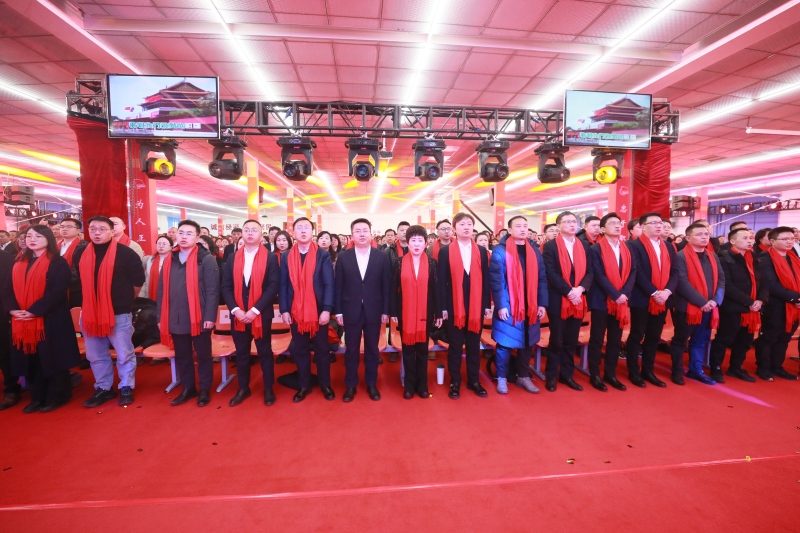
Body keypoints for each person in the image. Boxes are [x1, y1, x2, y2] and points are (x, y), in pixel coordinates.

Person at [1, 225, 80, 413]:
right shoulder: (19, 261)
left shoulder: (57, 262)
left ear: (48, 239)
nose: (32, 239)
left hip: (50, 318)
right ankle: (37, 397)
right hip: (22, 320)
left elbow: (57, 292)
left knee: (52, 358)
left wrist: (34, 311)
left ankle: (57, 396)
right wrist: (13, 310)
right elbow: (7, 289)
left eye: (38, 236)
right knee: (31, 359)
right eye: (29, 236)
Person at [74, 216, 146, 408]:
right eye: (93, 229)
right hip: (90, 313)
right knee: (95, 355)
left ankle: (126, 386)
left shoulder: (126, 253)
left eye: (102, 229)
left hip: (118, 312)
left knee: (124, 353)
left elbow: (138, 281)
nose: (97, 233)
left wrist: (124, 300)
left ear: (112, 231)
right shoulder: (81, 253)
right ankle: (104, 388)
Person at [157, 220, 220, 407]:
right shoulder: (170, 258)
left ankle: (204, 389)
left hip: (199, 316)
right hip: (175, 316)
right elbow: (161, 290)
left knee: (203, 355)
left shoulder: (205, 259)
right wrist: (161, 316)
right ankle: (188, 388)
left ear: (197, 237)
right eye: (181, 233)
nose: (184, 237)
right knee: (182, 355)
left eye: (189, 233)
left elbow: (212, 291)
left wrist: (210, 317)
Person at [222, 219, 279, 407]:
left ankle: (268, 388)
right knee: (242, 353)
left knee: (265, 352)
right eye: (246, 230)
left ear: (261, 235)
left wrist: (254, 310)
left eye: (254, 230)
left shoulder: (270, 258)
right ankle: (243, 388)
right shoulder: (232, 258)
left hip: (261, 314)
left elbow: (273, 287)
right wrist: (236, 310)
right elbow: (226, 287)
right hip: (238, 316)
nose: (250, 233)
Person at [334, 218, 391, 402]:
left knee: (372, 350)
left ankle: (371, 383)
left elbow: (386, 286)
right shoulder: (344, 257)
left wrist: (386, 310)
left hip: (374, 310)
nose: (361, 234)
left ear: (371, 233)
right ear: (352, 235)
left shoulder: (381, 256)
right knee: (351, 350)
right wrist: (338, 312)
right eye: (357, 231)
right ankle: (350, 385)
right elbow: (338, 286)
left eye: (365, 230)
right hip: (350, 310)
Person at [279, 217, 335, 403]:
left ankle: (325, 384)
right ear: (293, 232)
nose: (303, 231)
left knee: (322, 350)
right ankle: (304, 385)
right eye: (299, 228)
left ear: (312, 232)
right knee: (300, 350)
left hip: (318, 311)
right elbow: (283, 285)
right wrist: (284, 310)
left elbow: (329, 284)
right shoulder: (286, 256)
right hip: (296, 312)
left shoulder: (322, 255)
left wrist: (327, 309)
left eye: (306, 228)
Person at [489, 216, 547, 394]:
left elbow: (541, 278)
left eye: (525, 226)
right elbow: (497, 281)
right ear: (509, 230)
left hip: (531, 305)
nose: (522, 229)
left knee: (528, 343)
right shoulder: (500, 251)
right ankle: (501, 377)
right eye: (518, 226)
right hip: (509, 304)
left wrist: (542, 303)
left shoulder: (534, 250)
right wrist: (501, 305)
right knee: (505, 343)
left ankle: (523, 376)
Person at [438, 212, 491, 399]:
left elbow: (486, 280)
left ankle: (474, 380)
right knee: (455, 346)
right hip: (454, 306)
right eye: (462, 224)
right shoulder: (445, 251)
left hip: (476, 306)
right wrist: (443, 307)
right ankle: (455, 381)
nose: (466, 227)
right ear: (454, 229)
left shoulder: (482, 251)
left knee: (473, 345)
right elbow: (441, 282)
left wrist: (486, 304)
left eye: (469, 224)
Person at [624, 212, 677, 388]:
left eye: (660, 222)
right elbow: (637, 272)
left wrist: (667, 292)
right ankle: (633, 371)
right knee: (637, 334)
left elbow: (675, 272)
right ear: (643, 226)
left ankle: (648, 370)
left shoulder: (668, 246)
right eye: (653, 223)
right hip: (642, 298)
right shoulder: (633, 246)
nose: (659, 225)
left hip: (663, 299)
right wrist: (654, 292)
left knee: (654, 336)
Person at [542, 211, 593, 392]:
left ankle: (567, 375)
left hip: (578, 299)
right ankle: (551, 375)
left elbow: (590, 271)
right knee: (556, 340)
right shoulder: (550, 246)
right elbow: (550, 273)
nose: (572, 224)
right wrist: (568, 291)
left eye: (574, 221)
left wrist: (580, 289)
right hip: (558, 298)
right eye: (567, 222)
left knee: (571, 340)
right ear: (558, 226)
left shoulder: (585, 245)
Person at [669, 222, 725, 386]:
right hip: (686, 307)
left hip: (709, 306)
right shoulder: (680, 256)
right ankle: (677, 371)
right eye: (699, 234)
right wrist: (702, 302)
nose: (704, 237)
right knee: (680, 340)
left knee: (701, 340)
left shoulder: (713, 256)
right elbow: (681, 282)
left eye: (706, 234)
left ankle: (696, 369)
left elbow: (721, 280)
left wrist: (715, 300)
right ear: (688, 238)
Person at [708, 227, 765, 383]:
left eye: (750, 238)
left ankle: (735, 367)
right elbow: (727, 285)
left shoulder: (754, 258)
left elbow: (763, 282)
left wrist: (760, 300)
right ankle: (715, 368)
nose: (750, 241)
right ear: (732, 241)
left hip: (752, 309)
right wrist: (750, 302)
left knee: (745, 340)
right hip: (732, 307)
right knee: (724, 339)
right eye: (745, 238)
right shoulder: (724, 258)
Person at [390, 225, 441, 399]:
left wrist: (439, 313)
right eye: (413, 240)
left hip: (425, 313)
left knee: (423, 351)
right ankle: (409, 386)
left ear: (426, 243)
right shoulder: (398, 263)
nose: (417, 244)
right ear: (408, 242)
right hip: (405, 313)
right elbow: (393, 289)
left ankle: (423, 385)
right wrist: (393, 311)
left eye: (420, 240)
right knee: (408, 350)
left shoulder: (432, 264)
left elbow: (436, 290)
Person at [587, 213, 635, 392]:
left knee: (615, 339)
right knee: (597, 338)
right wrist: (615, 294)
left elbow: (633, 271)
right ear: (602, 229)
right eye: (612, 223)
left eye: (618, 223)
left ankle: (610, 374)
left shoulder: (627, 248)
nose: (617, 225)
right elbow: (598, 274)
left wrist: (624, 294)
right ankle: (594, 374)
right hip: (602, 300)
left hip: (621, 301)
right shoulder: (595, 249)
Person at [753, 226, 800, 381]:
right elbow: (771, 285)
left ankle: (777, 367)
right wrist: (796, 298)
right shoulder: (764, 259)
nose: (789, 242)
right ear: (772, 241)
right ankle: (763, 367)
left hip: (793, 306)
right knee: (769, 337)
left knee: (785, 337)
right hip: (774, 305)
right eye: (785, 239)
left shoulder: (793, 257)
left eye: (792, 239)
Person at [0, 240, 18, 410]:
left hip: (2, 312)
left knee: (4, 352)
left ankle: (11, 389)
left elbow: (8, 288)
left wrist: (10, 311)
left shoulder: (5, 258)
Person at [58, 217, 87, 308]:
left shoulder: (83, 247)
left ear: (78, 230)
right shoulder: (55, 246)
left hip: (75, 289)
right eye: (62, 227)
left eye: (69, 227)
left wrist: (60, 279)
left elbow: (81, 270)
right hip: (56, 288)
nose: (64, 229)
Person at [141, 235, 172, 301]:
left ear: (171, 247)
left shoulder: (175, 261)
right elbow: (145, 280)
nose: (161, 246)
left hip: (170, 295)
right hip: (151, 294)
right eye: (159, 244)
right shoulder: (149, 260)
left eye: (164, 244)